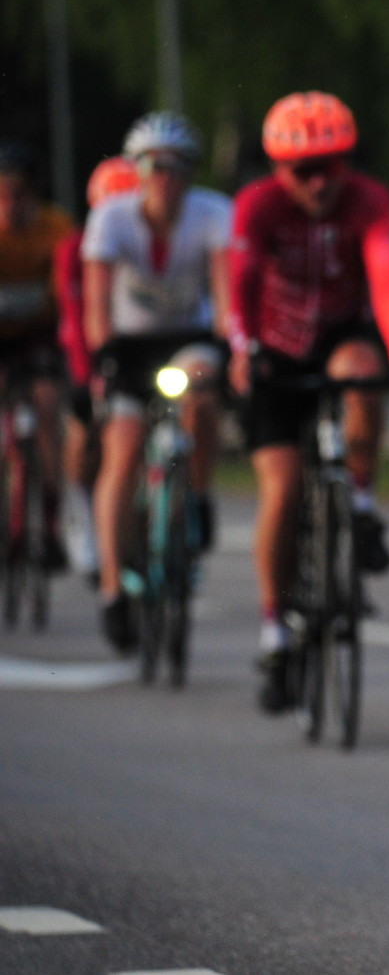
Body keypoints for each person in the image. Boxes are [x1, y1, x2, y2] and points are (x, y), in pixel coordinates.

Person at [229, 93, 389, 714]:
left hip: (338, 335)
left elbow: (387, 275)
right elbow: (240, 281)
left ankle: (359, 504)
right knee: (282, 490)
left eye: (330, 167)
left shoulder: (369, 200)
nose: (318, 183)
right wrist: (242, 348)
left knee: (364, 373)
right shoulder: (258, 205)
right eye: (301, 170)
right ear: (277, 168)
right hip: (274, 348)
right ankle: (275, 633)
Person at [83, 113, 232, 653]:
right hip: (128, 344)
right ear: (138, 171)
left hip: (188, 339)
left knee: (203, 398)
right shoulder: (111, 217)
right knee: (122, 451)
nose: (165, 178)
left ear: (191, 173)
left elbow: (226, 297)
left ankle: (200, 492)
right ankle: (111, 589)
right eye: (153, 167)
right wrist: (103, 357)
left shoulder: (213, 212)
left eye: (177, 167)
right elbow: (96, 304)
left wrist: (229, 345)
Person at [57, 157, 143, 579]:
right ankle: (78, 505)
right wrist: (87, 375)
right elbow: (77, 317)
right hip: (90, 349)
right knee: (83, 424)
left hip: (138, 347)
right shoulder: (75, 249)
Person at [0, 141, 73, 577]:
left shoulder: (55, 227)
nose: (11, 204)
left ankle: (49, 523)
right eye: (3, 195)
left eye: (20, 194)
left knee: (47, 407)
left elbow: (71, 289)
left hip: (39, 334)